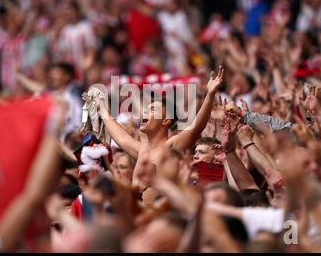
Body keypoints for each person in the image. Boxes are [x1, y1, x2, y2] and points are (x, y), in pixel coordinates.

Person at [96, 66, 225, 190]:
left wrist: (210, 94)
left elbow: (195, 128)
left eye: (153, 109)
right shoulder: (141, 149)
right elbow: (122, 137)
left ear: (166, 120)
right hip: (137, 210)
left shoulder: (171, 147)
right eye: (146, 109)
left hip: (161, 211)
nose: (145, 113)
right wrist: (101, 108)